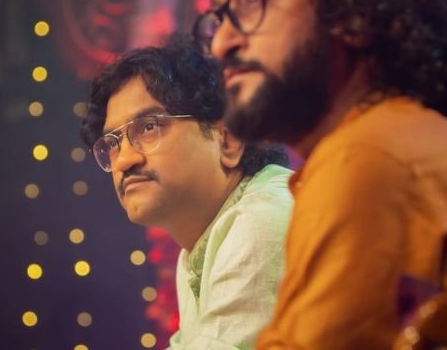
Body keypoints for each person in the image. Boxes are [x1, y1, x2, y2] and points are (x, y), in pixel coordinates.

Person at [192, 0, 447, 349]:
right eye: (218, 18)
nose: (221, 43)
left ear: (355, 9)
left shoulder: (369, 159)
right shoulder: (394, 141)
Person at [80, 36, 294, 349]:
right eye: (112, 143)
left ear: (228, 139)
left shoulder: (261, 217)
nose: (124, 160)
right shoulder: (196, 252)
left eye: (149, 126)